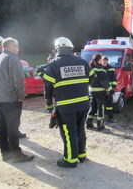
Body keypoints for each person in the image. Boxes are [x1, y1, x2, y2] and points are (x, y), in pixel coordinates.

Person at [43, 37, 90, 168]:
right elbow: (90, 78)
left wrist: (48, 103)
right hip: (84, 103)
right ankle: (81, 155)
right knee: (80, 128)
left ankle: (70, 159)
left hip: (66, 105)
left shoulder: (53, 64)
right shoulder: (83, 62)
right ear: (70, 48)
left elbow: (48, 86)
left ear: (57, 49)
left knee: (69, 132)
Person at [0, 37, 33, 162]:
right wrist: (21, 97)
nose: (18, 49)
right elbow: (19, 81)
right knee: (13, 127)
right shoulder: (13, 59)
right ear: (10, 46)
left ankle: (5, 153)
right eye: (17, 46)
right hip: (10, 99)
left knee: (2, 125)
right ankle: (17, 155)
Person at [86, 53, 112, 131]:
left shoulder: (91, 68)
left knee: (92, 107)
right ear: (100, 60)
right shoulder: (101, 69)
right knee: (100, 108)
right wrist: (110, 90)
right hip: (100, 92)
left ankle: (89, 123)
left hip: (91, 91)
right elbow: (104, 82)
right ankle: (100, 125)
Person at [102, 56, 117, 122]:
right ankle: (100, 117)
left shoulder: (111, 69)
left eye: (106, 60)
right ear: (101, 61)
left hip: (109, 90)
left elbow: (114, 80)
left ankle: (110, 117)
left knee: (109, 105)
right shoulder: (100, 68)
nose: (104, 62)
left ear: (108, 61)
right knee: (100, 104)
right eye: (103, 60)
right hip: (101, 90)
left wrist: (112, 89)